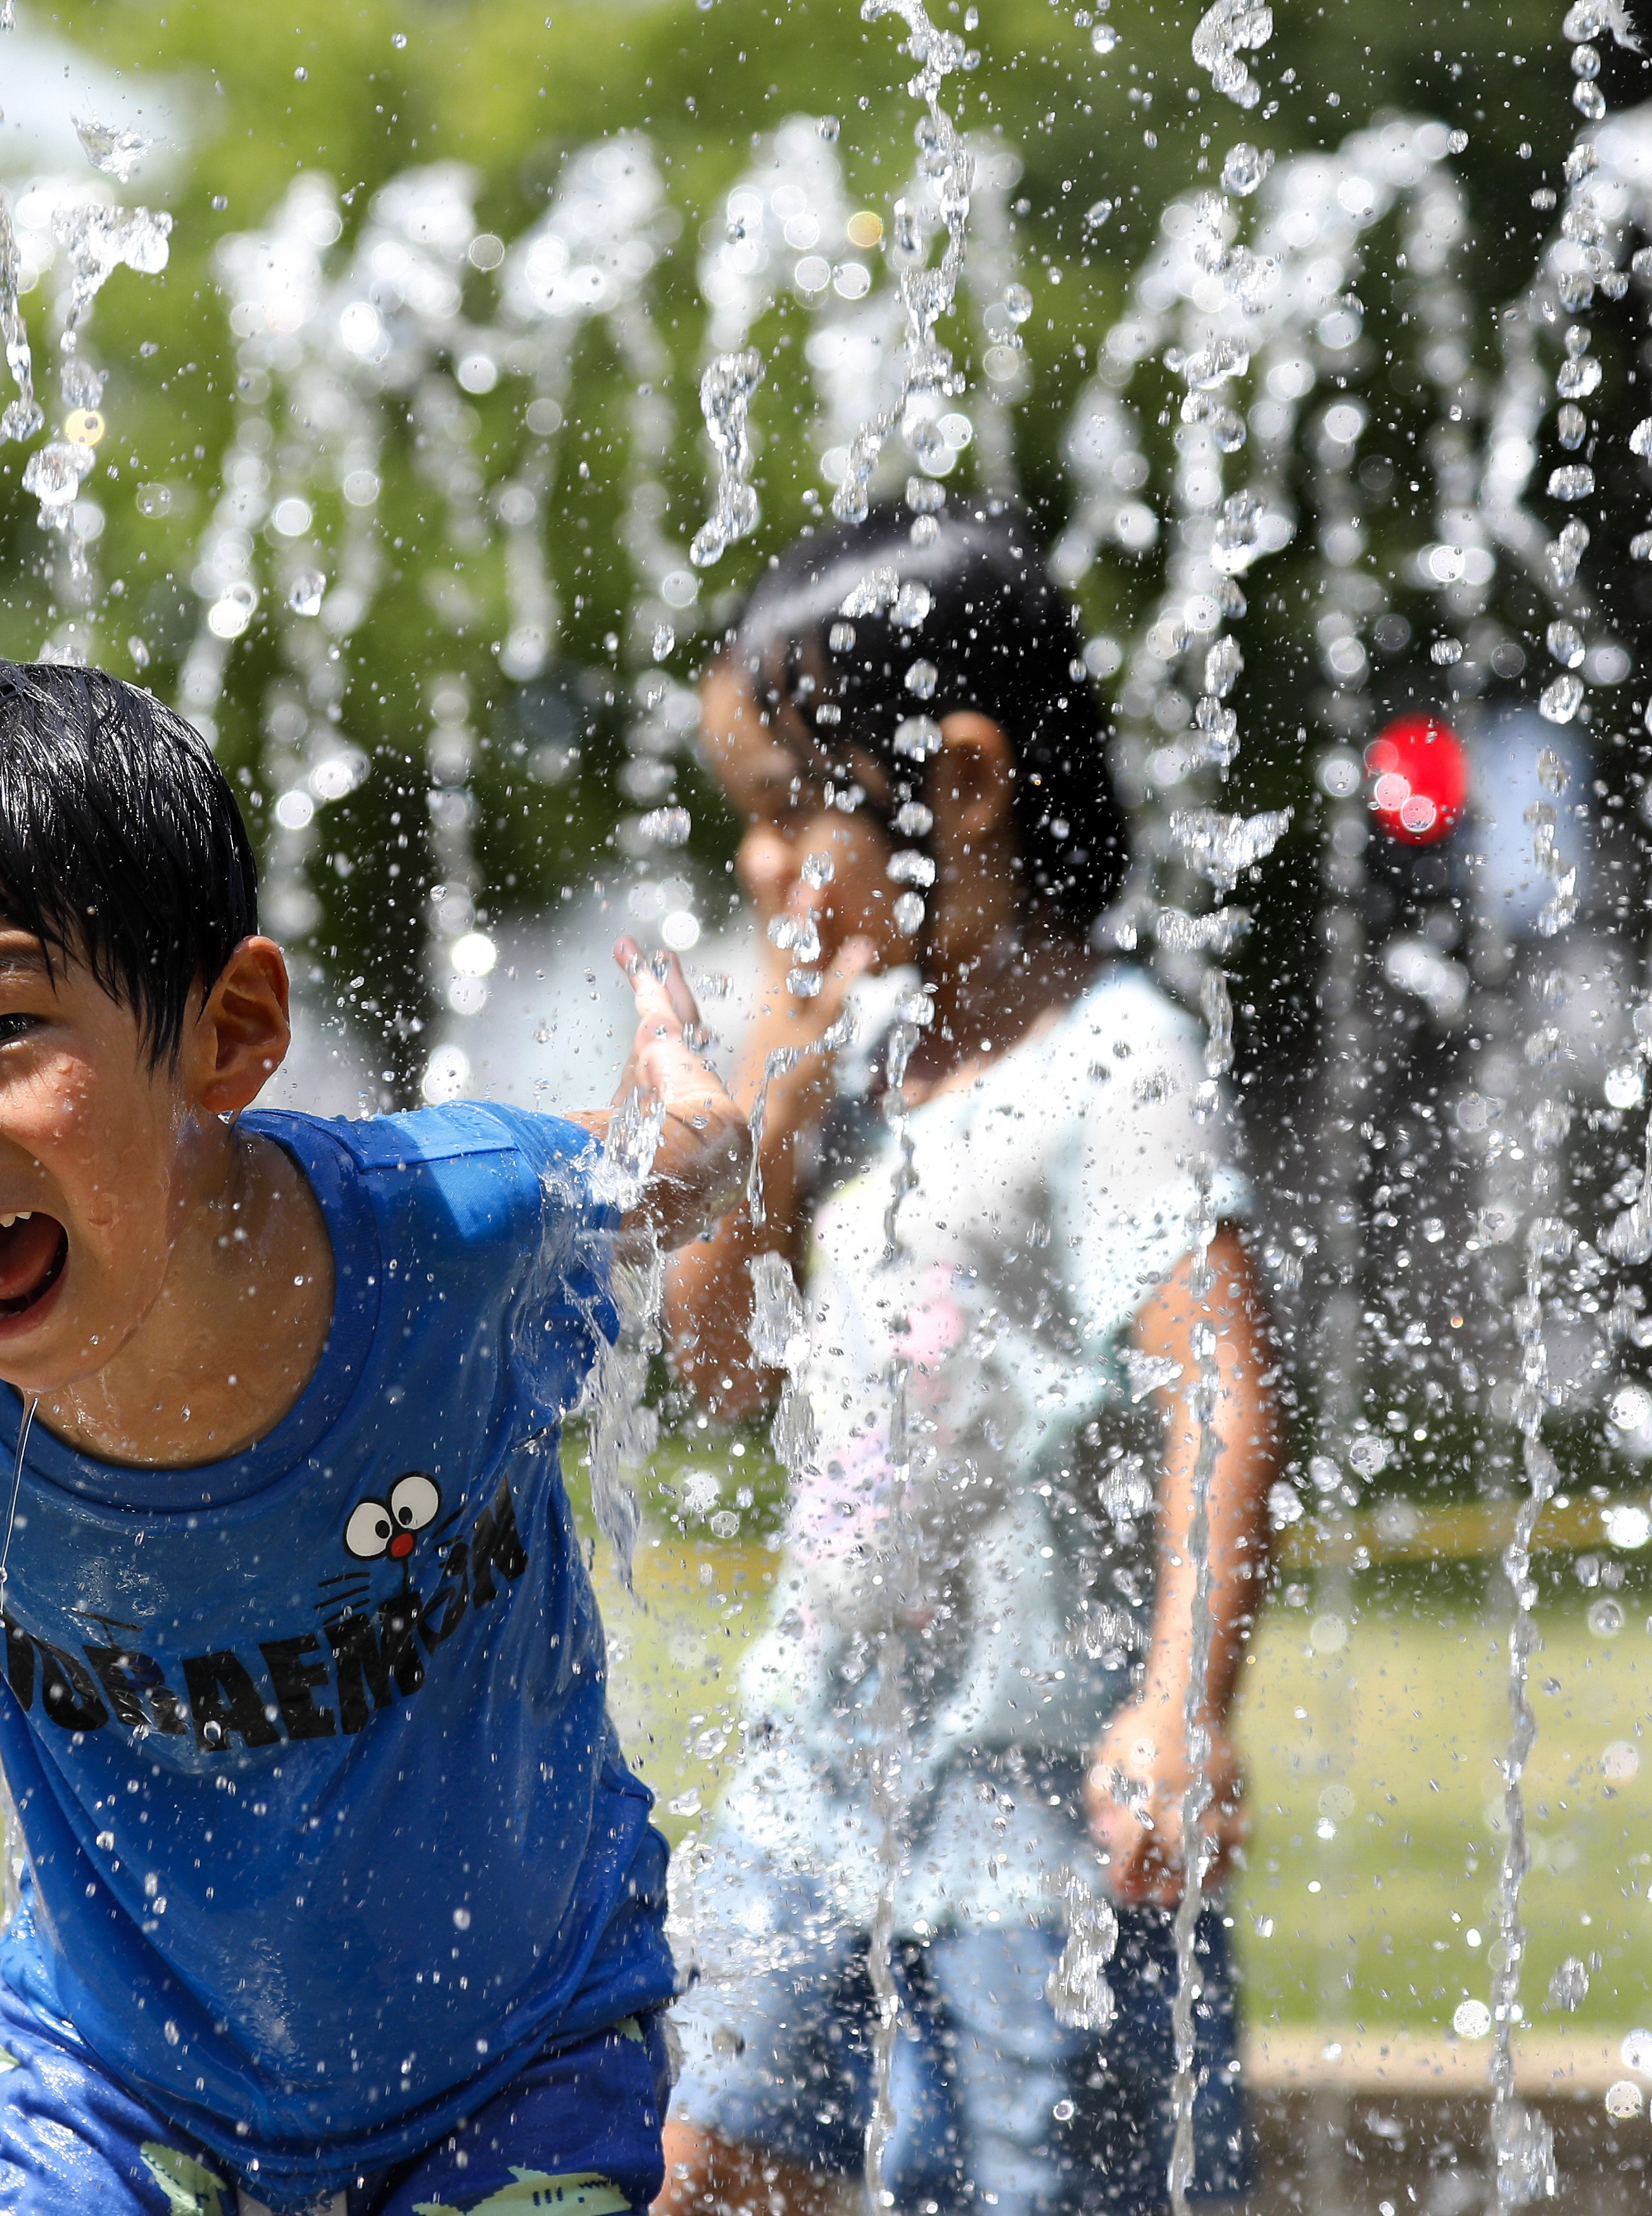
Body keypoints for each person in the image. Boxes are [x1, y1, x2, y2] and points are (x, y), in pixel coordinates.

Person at [0, 659, 750, 2216]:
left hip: (523, 2052)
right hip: (125, 2092)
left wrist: (693, 1149)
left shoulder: (451, 1241)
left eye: (1, 1026)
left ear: (230, 1032)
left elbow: (640, 1192)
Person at [652, 505, 1278, 2216]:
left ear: (965, 785)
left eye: (791, 811)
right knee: (701, 2151)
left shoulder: (1113, 1063)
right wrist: (766, 1107)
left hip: (1035, 1781)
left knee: (1046, 2183)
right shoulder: (854, 1071)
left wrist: (1177, 1698)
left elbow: (1216, 1379)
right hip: (815, 1744)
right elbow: (717, 1365)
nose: (763, 869)